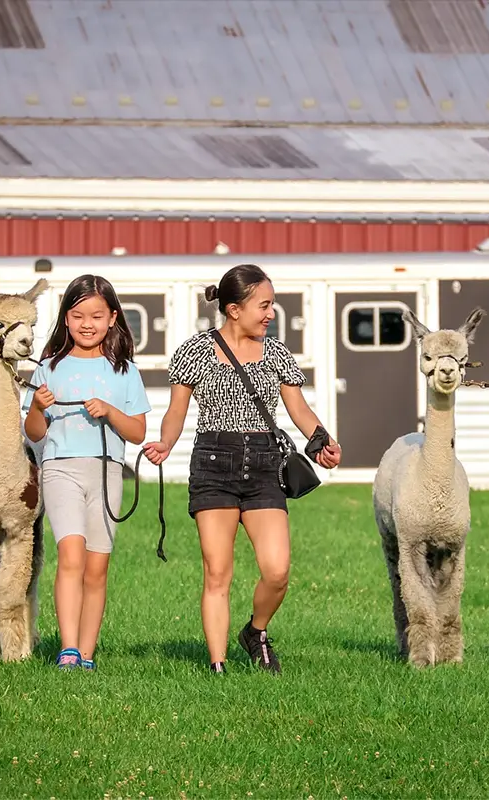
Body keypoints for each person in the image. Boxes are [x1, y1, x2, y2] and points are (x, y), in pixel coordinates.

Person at [142, 264, 342, 675]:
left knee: (278, 570)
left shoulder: (277, 353)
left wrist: (321, 439)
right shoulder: (194, 351)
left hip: (266, 465)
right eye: (264, 305)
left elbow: (298, 408)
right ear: (234, 309)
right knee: (218, 572)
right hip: (215, 462)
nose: (271, 314)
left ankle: (255, 631)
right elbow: (176, 411)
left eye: (272, 305)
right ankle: (218, 666)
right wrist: (165, 443)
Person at [23, 274, 151, 671]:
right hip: (60, 469)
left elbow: (139, 431)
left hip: (107, 473)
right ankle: (68, 649)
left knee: (97, 568)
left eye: (96, 315)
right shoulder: (47, 368)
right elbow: (33, 432)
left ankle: (88, 655)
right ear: (65, 319)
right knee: (71, 556)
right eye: (77, 315)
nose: (87, 323)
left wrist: (111, 412)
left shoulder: (126, 371)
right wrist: (38, 408)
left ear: (113, 318)